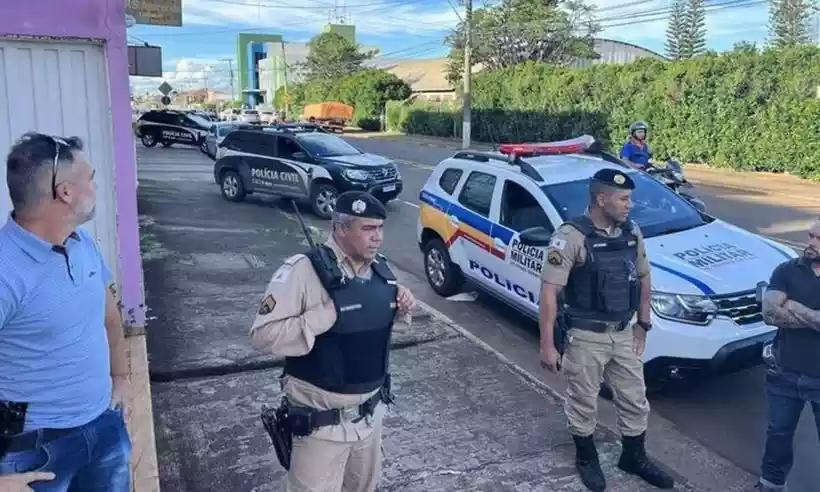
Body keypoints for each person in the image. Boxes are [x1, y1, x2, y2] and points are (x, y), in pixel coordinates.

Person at [249, 191, 416, 492]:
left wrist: (402, 306)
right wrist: (322, 316)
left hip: (370, 420)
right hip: (320, 429)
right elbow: (262, 336)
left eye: (380, 228)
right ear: (340, 228)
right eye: (367, 229)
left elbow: (373, 328)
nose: (377, 237)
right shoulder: (303, 270)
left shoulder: (379, 269)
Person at [0, 134, 131, 490]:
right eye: (89, 177)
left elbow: (108, 316)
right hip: (33, 454)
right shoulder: (5, 272)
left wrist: (120, 377)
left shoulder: (81, 242)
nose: (96, 185)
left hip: (104, 426)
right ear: (66, 193)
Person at [538, 169, 674, 491]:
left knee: (635, 398)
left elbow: (643, 276)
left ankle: (633, 457)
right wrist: (547, 344)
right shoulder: (571, 236)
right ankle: (586, 459)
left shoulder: (631, 232)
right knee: (583, 400)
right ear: (602, 199)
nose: (631, 205)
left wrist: (643, 322)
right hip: (586, 337)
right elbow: (549, 292)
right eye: (624, 199)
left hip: (624, 332)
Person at [756, 219, 820, 492]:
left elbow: (782, 310)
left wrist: (793, 306)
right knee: (778, 435)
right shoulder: (787, 270)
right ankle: (770, 485)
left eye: (818, 238)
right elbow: (770, 313)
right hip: (784, 372)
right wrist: (814, 318)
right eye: (810, 236)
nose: (811, 242)